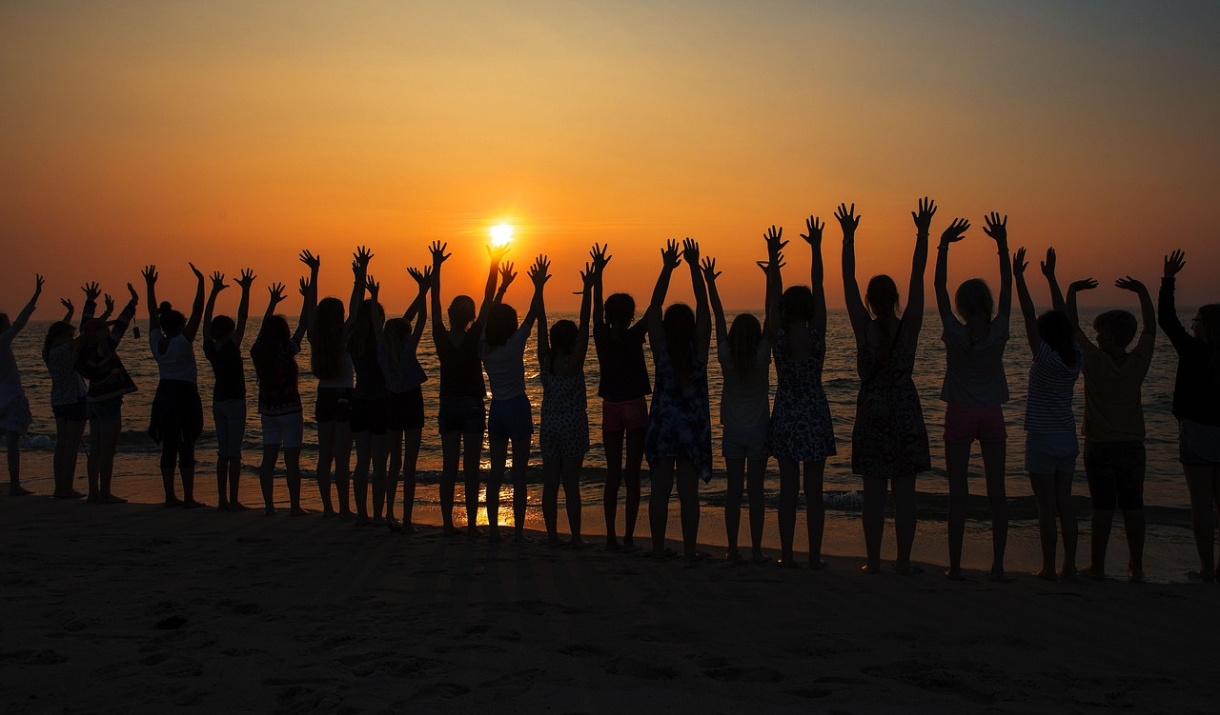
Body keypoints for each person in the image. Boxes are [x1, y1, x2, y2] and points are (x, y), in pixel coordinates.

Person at [841, 200, 932, 576]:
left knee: (874, 495)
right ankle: (904, 562)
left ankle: (875, 561)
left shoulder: (863, 328)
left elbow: (848, 280)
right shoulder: (909, 327)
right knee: (905, 496)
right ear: (895, 300)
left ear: (870, 301)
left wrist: (848, 238)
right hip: (905, 412)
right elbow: (917, 275)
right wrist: (922, 233)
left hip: (873, 413)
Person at [934, 212, 1012, 581]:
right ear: (988, 303)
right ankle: (997, 564)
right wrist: (1001, 244)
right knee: (996, 490)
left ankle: (954, 565)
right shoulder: (998, 332)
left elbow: (937, 286)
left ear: (962, 306)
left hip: (961, 413)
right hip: (991, 412)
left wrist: (943, 244)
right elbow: (1009, 285)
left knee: (958, 492)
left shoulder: (954, 332)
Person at [1067, 274, 1155, 582]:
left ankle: (1098, 566)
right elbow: (1150, 329)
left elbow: (1073, 328)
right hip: (1132, 445)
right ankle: (1137, 567)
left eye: (1101, 332)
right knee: (1133, 506)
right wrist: (1142, 291)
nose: (1097, 336)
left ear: (1112, 336)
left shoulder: (1095, 362)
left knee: (1102, 507)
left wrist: (1072, 292)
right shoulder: (1137, 363)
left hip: (1100, 445)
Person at [762, 219, 838, 568]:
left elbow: (772, 302)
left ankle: (789, 555)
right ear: (808, 310)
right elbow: (819, 285)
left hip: (788, 411)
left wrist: (774, 259)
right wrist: (816, 247)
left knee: (789, 490)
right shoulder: (817, 334)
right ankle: (815, 557)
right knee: (815, 491)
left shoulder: (776, 335)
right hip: (814, 409)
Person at [1014, 247, 1085, 580]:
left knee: (1046, 508)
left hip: (1042, 439)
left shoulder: (1044, 358)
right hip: (1067, 438)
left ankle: (1048, 567)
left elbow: (1028, 314)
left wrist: (1018, 277)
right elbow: (1068, 321)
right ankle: (1069, 565)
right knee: (1065, 504)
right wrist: (1051, 277)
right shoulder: (1075, 358)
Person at [646, 239, 713, 560]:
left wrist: (667, 268)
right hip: (691, 429)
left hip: (662, 426)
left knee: (659, 493)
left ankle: (658, 549)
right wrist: (693, 267)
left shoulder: (661, 349)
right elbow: (704, 307)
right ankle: (688, 552)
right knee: (689, 494)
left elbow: (652, 309)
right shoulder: (698, 349)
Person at [431, 241, 503, 536]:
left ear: (450, 314)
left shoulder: (440, 336)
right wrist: (493, 263)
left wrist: (437, 267)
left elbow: (433, 301)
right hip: (472, 402)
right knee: (471, 468)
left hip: (449, 403)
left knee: (450, 467)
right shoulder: (475, 336)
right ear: (471, 316)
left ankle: (449, 524)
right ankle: (473, 525)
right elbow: (488, 299)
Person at [1158, 249, 1220, 582]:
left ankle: (1207, 569)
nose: (1192, 324)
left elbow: (1167, 319)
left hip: (1196, 431)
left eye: (1196, 321)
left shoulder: (1194, 350)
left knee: (1201, 504)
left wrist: (1168, 279)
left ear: (1206, 328)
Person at [482, 255, 547, 543]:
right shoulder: (514, 343)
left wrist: (501, 288)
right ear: (511, 324)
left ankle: (495, 529)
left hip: (496, 409)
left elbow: (486, 315)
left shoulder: (484, 347)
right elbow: (533, 314)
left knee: (496, 473)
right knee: (519, 475)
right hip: (517, 407)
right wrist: (538, 285)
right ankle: (519, 532)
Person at [592, 243, 651, 551]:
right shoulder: (633, 336)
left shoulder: (601, 335)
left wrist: (598, 274)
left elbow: (595, 305)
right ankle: (628, 536)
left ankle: (612, 536)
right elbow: (655, 306)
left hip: (611, 405)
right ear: (630, 316)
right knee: (632, 474)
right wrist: (666, 269)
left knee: (613, 473)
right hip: (634, 405)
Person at [250, 255, 316, 515]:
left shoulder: (259, 351)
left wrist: (271, 304)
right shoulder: (284, 351)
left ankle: (268, 506)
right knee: (291, 461)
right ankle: (295, 507)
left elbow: (261, 333)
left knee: (269, 459)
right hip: (290, 410)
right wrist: (306, 297)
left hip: (267, 410)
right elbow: (302, 325)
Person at [536, 259, 595, 548]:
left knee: (550, 484)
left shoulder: (546, 362)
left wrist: (539, 290)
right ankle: (573, 537)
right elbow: (586, 325)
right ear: (572, 341)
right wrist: (588, 289)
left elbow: (540, 323)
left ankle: (550, 536)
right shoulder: (574, 364)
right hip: (572, 427)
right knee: (571, 487)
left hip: (549, 427)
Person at [370, 266, 431, 532]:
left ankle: (388, 514)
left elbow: (377, 321)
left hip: (394, 403)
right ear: (405, 334)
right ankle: (406, 519)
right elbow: (421, 319)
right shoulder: (408, 347)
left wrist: (373, 297)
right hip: (412, 402)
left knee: (393, 463)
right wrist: (423, 290)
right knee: (410, 464)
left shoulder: (382, 349)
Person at [142, 263, 206, 507]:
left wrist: (150, 285)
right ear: (180, 325)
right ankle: (187, 497)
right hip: (184, 395)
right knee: (186, 444)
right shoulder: (182, 341)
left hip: (164, 395)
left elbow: (151, 313)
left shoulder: (156, 342)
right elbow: (198, 310)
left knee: (169, 446)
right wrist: (201, 283)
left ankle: (170, 495)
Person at [76, 282, 140, 504]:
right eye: (104, 327)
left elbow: (85, 324)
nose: (107, 329)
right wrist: (133, 301)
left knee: (95, 449)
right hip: (108, 403)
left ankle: (93, 492)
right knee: (107, 450)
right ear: (100, 333)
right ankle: (104, 492)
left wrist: (91, 302)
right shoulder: (103, 348)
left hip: (92, 401)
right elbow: (121, 327)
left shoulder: (85, 349)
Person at [308, 251, 360, 517]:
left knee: (324, 456)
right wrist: (359, 276)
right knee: (342, 457)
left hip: (323, 398)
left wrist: (314, 273)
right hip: (343, 396)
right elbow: (356, 305)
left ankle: (328, 507)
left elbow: (309, 310)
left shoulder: (315, 338)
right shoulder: (344, 335)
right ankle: (343, 508)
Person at [202, 268, 255, 510]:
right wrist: (246, 290)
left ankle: (223, 499)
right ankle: (232, 500)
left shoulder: (211, 349)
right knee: (234, 452)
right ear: (229, 331)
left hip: (218, 402)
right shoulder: (231, 347)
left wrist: (213, 293)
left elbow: (205, 322)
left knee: (223, 453)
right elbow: (243, 317)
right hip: (235, 401)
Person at [349, 260, 391, 526]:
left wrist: (360, 280)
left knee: (362, 462)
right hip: (379, 403)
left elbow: (354, 312)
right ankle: (376, 513)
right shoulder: (380, 342)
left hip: (359, 402)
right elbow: (374, 325)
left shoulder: (352, 340)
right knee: (379, 465)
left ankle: (363, 514)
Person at [0, 274, 43, 495]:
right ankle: (15, 484)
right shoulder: (3, 340)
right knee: (13, 443)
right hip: (11, 396)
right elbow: (20, 322)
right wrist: (36, 295)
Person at [44, 293, 87, 498]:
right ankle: (66, 488)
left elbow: (63, 332)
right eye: (69, 336)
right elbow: (83, 336)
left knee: (62, 445)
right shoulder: (63, 349)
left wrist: (70, 312)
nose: (72, 339)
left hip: (58, 400)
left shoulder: (49, 351)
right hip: (73, 399)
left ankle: (59, 487)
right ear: (62, 337)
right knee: (71, 446)